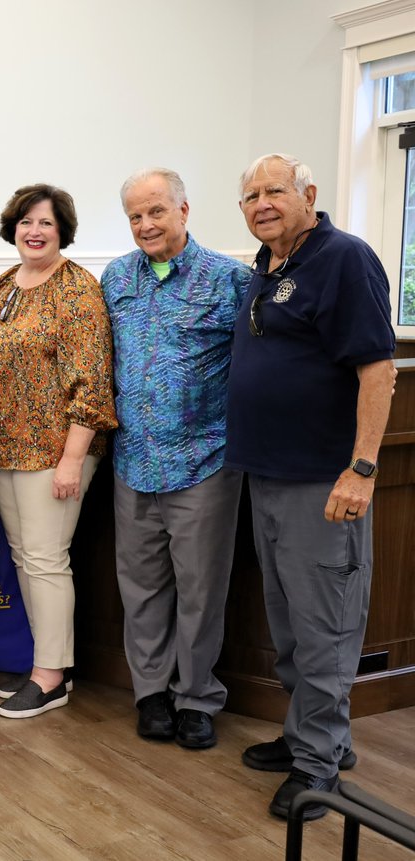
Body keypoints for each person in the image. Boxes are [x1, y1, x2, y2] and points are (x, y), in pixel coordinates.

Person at [228, 154, 395, 820]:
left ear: (309, 194)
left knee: (326, 626)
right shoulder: (266, 268)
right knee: (292, 627)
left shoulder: (344, 258)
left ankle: (319, 767)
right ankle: (312, 738)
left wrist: (361, 468)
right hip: (266, 475)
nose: (263, 203)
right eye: (250, 196)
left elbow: (377, 371)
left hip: (324, 483)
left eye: (276, 190)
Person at [100, 169, 250, 749]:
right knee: (140, 588)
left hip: (204, 462)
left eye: (156, 211)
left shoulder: (231, 280)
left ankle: (196, 698)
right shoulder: (115, 278)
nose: (145, 225)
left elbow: (262, 364)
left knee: (201, 589)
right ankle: (151, 694)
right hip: (133, 460)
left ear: (185, 210)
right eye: (135, 216)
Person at [0, 183, 117, 719]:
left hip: (56, 451)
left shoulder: (76, 289)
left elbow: (92, 380)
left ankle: (52, 677)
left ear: (63, 232)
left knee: (47, 560)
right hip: (4, 446)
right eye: (26, 221)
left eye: (46, 223)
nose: (35, 231)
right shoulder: (7, 283)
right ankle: (44, 665)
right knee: (26, 559)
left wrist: (73, 459)